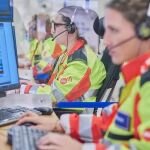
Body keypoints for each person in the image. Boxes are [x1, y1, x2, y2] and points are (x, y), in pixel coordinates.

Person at [17, 0, 150, 149]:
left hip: (76, 108)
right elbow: (112, 123)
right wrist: (60, 125)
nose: (106, 40)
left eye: (114, 30)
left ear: (144, 30)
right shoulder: (138, 76)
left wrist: (80, 148)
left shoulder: (147, 82)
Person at [20, 6, 106, 108]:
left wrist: (23, 90)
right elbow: (54, 86)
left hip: (74, 114)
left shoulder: (80, 61)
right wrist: (32, 86)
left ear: (70, 28)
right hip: (64, 108)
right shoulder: (68, 53)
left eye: (55, 25)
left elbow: (55, 96)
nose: (52, 31)